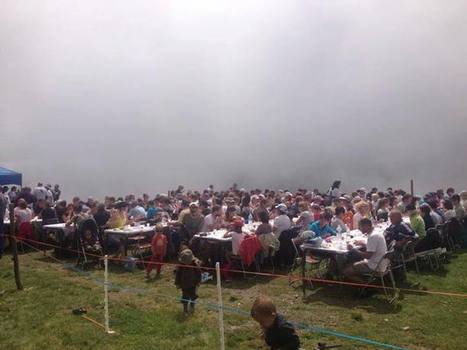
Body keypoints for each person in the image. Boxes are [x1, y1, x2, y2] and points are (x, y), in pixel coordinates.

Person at [343, 218, 388, 283]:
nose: (359, 229)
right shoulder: (376, 232)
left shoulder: (373, 236)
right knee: (352, 264)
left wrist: (353, 249)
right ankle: (365, 280)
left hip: (375, 266)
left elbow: (367, 256)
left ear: (366, 226)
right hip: (381, 263)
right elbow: (374, 247)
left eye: (360, 227)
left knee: (346, 271)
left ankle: (365, 285)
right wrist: (364, 244)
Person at [175, 248, 202, 315]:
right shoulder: (181, 266)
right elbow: (178, 274)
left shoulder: (195, 264)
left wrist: (198, 281)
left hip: (193, 283)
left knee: (193, 296)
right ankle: (185, 309)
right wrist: (177, 283)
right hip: (184, 284)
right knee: (185, 297)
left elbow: (199, 273)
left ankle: (192, 306)